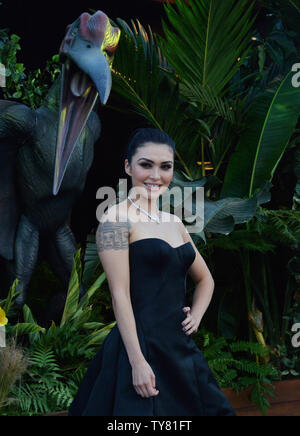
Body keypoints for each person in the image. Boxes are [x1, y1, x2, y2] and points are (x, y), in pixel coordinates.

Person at [68, 128, 236, 416]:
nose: (156, 175)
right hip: (139, 347)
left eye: (165, 166)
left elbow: (205, 279)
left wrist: (195, 316)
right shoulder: (115, 220)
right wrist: (137, 362)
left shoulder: (175, 223)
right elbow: (119, 294)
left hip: (180, 350)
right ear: (128, 166)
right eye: (146, 164)